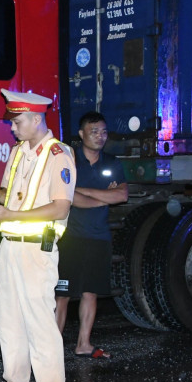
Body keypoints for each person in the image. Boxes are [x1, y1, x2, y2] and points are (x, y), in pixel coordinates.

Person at [0, 89, 75, 382]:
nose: (12, 128)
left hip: (36, 249)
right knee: (10, 321)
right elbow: (12, 194)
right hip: (10, 246)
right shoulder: (18, 151)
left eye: (17, 122)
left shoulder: (58, 154)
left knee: (40, 325)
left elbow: (60, 207)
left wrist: (11, 215)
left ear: (36, 119)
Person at [55, 112, 128, 359]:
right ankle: (52, 348)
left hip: (99, 236)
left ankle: (83, 344)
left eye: (104, 132)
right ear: (81, 134)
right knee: (62, 294)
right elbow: (68, 197)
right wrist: (104, 196)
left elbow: (122, 195)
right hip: (70, 237)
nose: (100, 136)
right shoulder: (69, 160)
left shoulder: (112, 162)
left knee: (91, 292)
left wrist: (84, 192)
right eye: (94, 131)